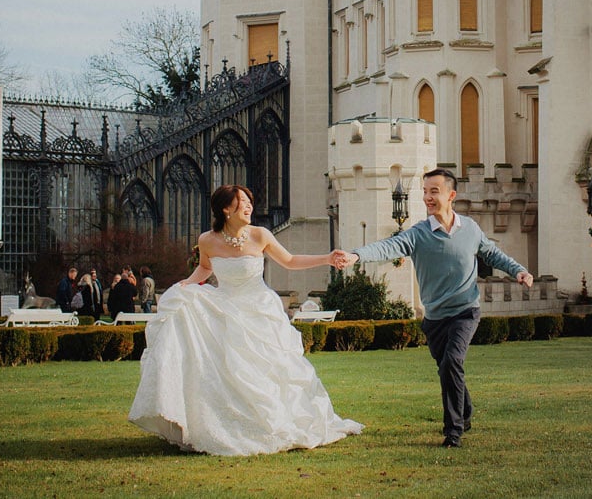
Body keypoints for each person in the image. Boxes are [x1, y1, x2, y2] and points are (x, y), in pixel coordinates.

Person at [129, 183, 362, 455]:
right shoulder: (207, 240)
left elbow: (289, 260)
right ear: (226, 208)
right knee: (227, 370)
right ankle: (223, 423)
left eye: (249, 201)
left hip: (260, 311)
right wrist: (185, 286)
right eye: (242, 202)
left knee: (271, 371)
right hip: (225, 309)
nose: (249, 206)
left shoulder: (260, 235)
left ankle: (277, 422)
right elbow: (205, 268)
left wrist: (327, 258)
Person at [346, 168, 533, 448]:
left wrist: (518, 271)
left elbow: (492, 253)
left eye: (434, 191)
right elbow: (389, 247)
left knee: (452, 362)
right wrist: (356, 255)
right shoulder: (418, 234)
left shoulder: (470, 229)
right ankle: (465, 412)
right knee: (447, 368)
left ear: (451, 195)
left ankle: (453, 432)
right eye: (424, 191)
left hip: (465, 311)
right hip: (434, 319)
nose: (427, 197)